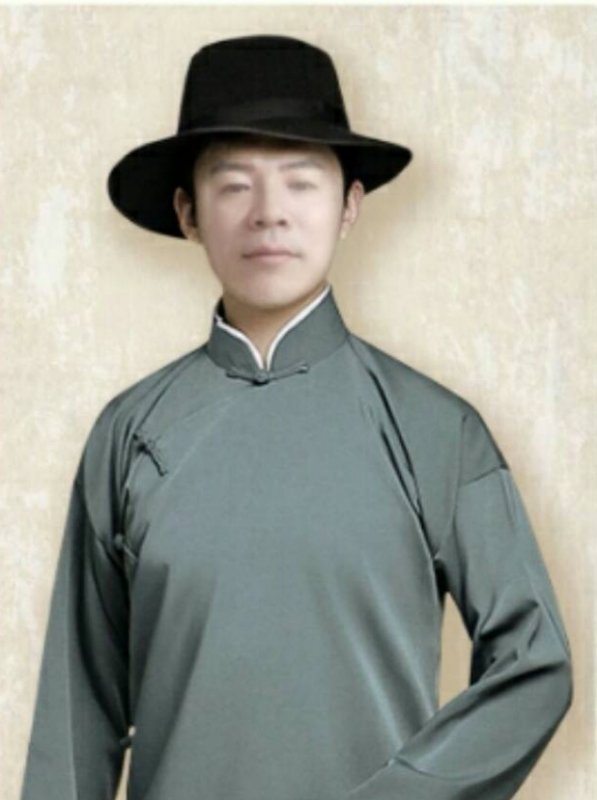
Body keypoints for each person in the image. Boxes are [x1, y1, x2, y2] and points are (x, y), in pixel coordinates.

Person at [20, 34, 573, 800]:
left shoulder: (435, 429)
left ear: (349, 206)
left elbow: (534, 663)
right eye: (233, 184)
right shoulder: (130, 434)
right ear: (187, 211)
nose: (269, 214)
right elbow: (76, 711)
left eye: (301, 182)